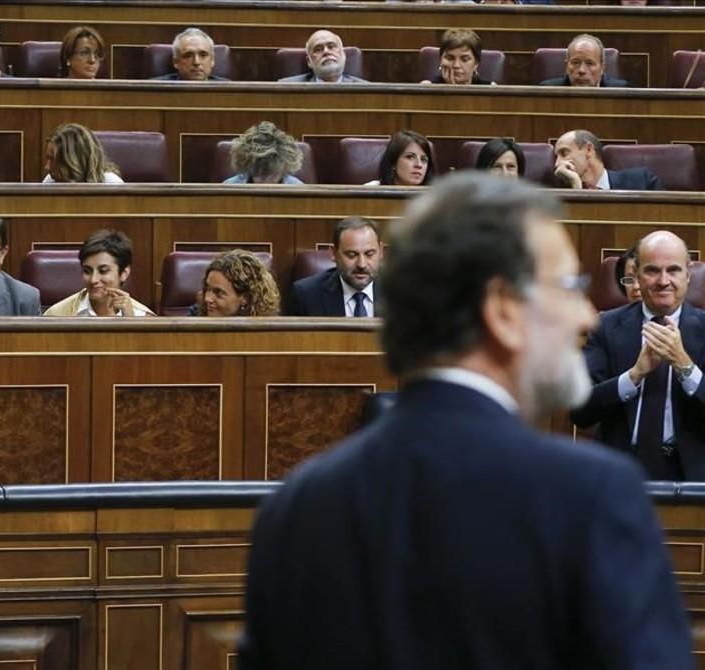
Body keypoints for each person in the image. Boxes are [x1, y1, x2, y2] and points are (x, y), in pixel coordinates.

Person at [240, 172, 693, 669]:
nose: (585, 316)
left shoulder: (296, 507)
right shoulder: (590, 498)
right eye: (567, 287)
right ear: (502, 311)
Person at [571, 230, 705, 481]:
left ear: (688, 275)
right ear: (636, 277)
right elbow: (580, 411)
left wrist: (684, 365)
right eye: (652, 270)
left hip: (695, 476)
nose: (663, 280)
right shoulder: (605, 327)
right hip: (619, 471)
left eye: (673, 270)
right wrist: (634, 375)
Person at [285, 217, 381, 316]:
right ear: (334, 253)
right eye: (351, 255)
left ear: (381, 252)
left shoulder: (397, 293)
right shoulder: (306, 296)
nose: (362, 264)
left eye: (369, 254)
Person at [44, 230, 154, 317]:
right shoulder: (57, 315)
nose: (93, 280)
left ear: (124, 273)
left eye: (103, 271)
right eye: (87, 271)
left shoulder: (143, 317)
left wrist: (132, 324)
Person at [554, 129, 663, 190]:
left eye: (564, 153)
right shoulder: (559, 192)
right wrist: (576, 187)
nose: (557, 163)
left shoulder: (642, 181)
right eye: (556, 156)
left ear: (588, 150)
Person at [195, 249, 280, 316]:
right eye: (208, 288)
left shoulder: (267, 333)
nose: (207, 298)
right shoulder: (194, 316)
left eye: (218, 292)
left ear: (245, 298)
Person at [223, 122, 304, 185]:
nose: (266, 183)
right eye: (260, 175)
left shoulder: (299, 190)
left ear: (283, 170)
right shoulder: (229, 188)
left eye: (272, 175)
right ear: (248, 169)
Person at [42, 123, 123, 183]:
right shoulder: (50, 181)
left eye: (53, 159)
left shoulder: (111, 183)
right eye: (48, 158)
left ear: (74, 161)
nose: (47, 167)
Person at [278, 30, 366, 83]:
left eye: (331, 46)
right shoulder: (286, 88)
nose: (326, 52)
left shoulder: (366, 91)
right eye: (318, 49)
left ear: (343, 55)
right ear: (309, 62)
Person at [540, 34, 627, 87]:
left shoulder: (621, 92)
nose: (582, 70)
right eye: (576, 62)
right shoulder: (548, 91)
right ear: (566, 66)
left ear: (602, 67)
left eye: (590, 63)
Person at [151, 28, 228, 81]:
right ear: (176, 62)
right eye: (188, 56)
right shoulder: (153, 90)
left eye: (203, 55)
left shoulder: (230, 90)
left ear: (212, 60)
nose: (196, 62)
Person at [420, 29, 492, 85]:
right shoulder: (427, 88)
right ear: (440, 60)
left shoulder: (491, 91)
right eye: (449, 58)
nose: (456, 65)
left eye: (464, 59)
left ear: (476, 63)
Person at [366, 130, 434, 186]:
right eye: (410, 157)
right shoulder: (370, 191)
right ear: (393, 163)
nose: (419, 165)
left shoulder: (435, 197)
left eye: (424, 160)